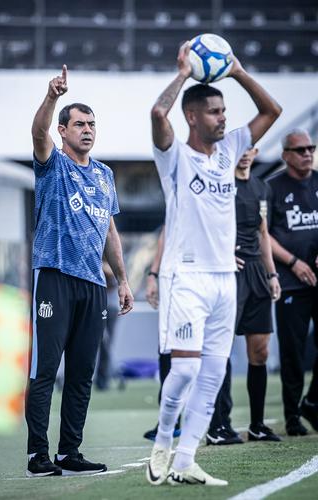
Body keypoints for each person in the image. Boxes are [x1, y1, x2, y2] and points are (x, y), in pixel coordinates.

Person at [147, 42, 281, 487]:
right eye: (214, 112)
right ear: (192, 117)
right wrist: (184, 73)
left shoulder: (233, 147)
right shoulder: (174, 157)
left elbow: (272, 110)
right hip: (185, 276)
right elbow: (157, 115)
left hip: (228, 278)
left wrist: (238, 72)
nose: (223, 117)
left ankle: (185, 461)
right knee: (184, 369)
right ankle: (164, 441)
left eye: (224, 110)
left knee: (214, 373)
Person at [25, 65, 133, 478]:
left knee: (83, 373)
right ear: (64, 131)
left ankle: (70, 451)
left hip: (93, 283)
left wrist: (122, 279)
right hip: (53, 276)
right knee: (45, 370)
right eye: (79, 124)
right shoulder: (52, 163)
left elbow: (109, 229)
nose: (87, 130)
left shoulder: (105, 175)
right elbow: (37, 133)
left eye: (92, 124)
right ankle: (38, 455)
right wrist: (52, 97)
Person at [206, 147, 282, 446]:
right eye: (241, 148)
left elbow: (264, 232)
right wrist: (221, 254)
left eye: (251, 148)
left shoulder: (262, 187)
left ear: (256, 151)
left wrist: (272, 273)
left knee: (260, 351)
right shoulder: (219, 183)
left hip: (257, 274)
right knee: (221, 348)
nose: (246, 154)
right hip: (228, 272)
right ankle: (219, 425)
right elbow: (205, 225)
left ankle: (258, 425)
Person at [268, 129, 318, 436]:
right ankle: (291, 416)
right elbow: (264, 235)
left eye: (311, 148)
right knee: (292, 352)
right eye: (300, 150)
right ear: (286, 154)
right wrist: (293, 262)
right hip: (290, 282)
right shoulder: (272, 187)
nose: (307, 153)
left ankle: (312, 402)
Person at [143, 227, 181, 441]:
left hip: (198, 279)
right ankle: (169, 420)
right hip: (172, 279)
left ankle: (217, 422)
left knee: (197, 354)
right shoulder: (177, 197)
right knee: (168, 350)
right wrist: (153, 274)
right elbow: (167, 231)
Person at [94, 259, 119, 391]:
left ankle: (103, 379)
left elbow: (114, 278)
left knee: (106, 344)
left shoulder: (115, 262)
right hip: (96, 307)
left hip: (111, 307)